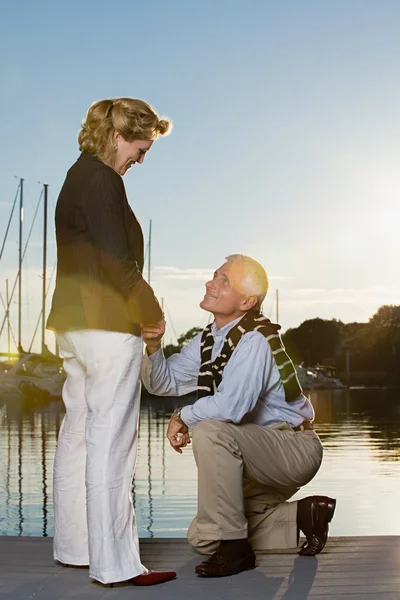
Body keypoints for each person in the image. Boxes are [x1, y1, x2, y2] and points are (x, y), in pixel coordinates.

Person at [47, 97, 176, 586]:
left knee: (79, 432)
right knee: (111, 442)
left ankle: (76, 548)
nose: (140, 160)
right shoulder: (103, 180)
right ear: (120, 136)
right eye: (141, 149)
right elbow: (117, 263)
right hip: (105, 325)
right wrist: (152, 312)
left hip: (74, 325)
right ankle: (116, 565)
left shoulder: (77, 174)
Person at [141, 254, 336, 578]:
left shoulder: (255, 339)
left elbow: (232, 407)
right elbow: (164, 381)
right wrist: (153, 346)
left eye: (223, 280)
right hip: (254, 454)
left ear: (246, 301)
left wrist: (184, 415)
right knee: (203, 537)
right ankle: (304, 516)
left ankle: (236, 550)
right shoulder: (208, 341)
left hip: (293, 447)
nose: (210, 283)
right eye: (214, 276)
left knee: (209, 429)